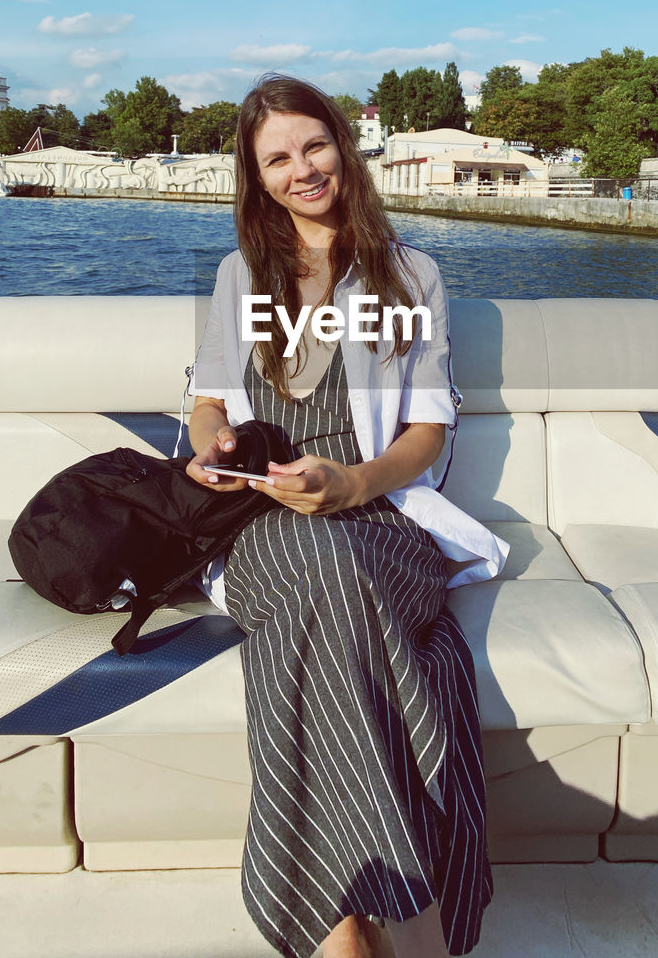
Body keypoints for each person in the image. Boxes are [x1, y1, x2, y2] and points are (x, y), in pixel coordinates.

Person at [186, 74, 506, 958]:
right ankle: (353, 918)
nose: (303, 170)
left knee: (330, 577)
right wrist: (211, 451)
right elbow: (209, 405)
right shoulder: (238, 276)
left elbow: (429, 432)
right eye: (277, 160)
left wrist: (352, 485)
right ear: (258, 180)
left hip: (376, 513)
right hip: (259, 525)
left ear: (343, 145)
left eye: (314, 145)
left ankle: (338, 930)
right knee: (316, 578)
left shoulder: (411, 274)